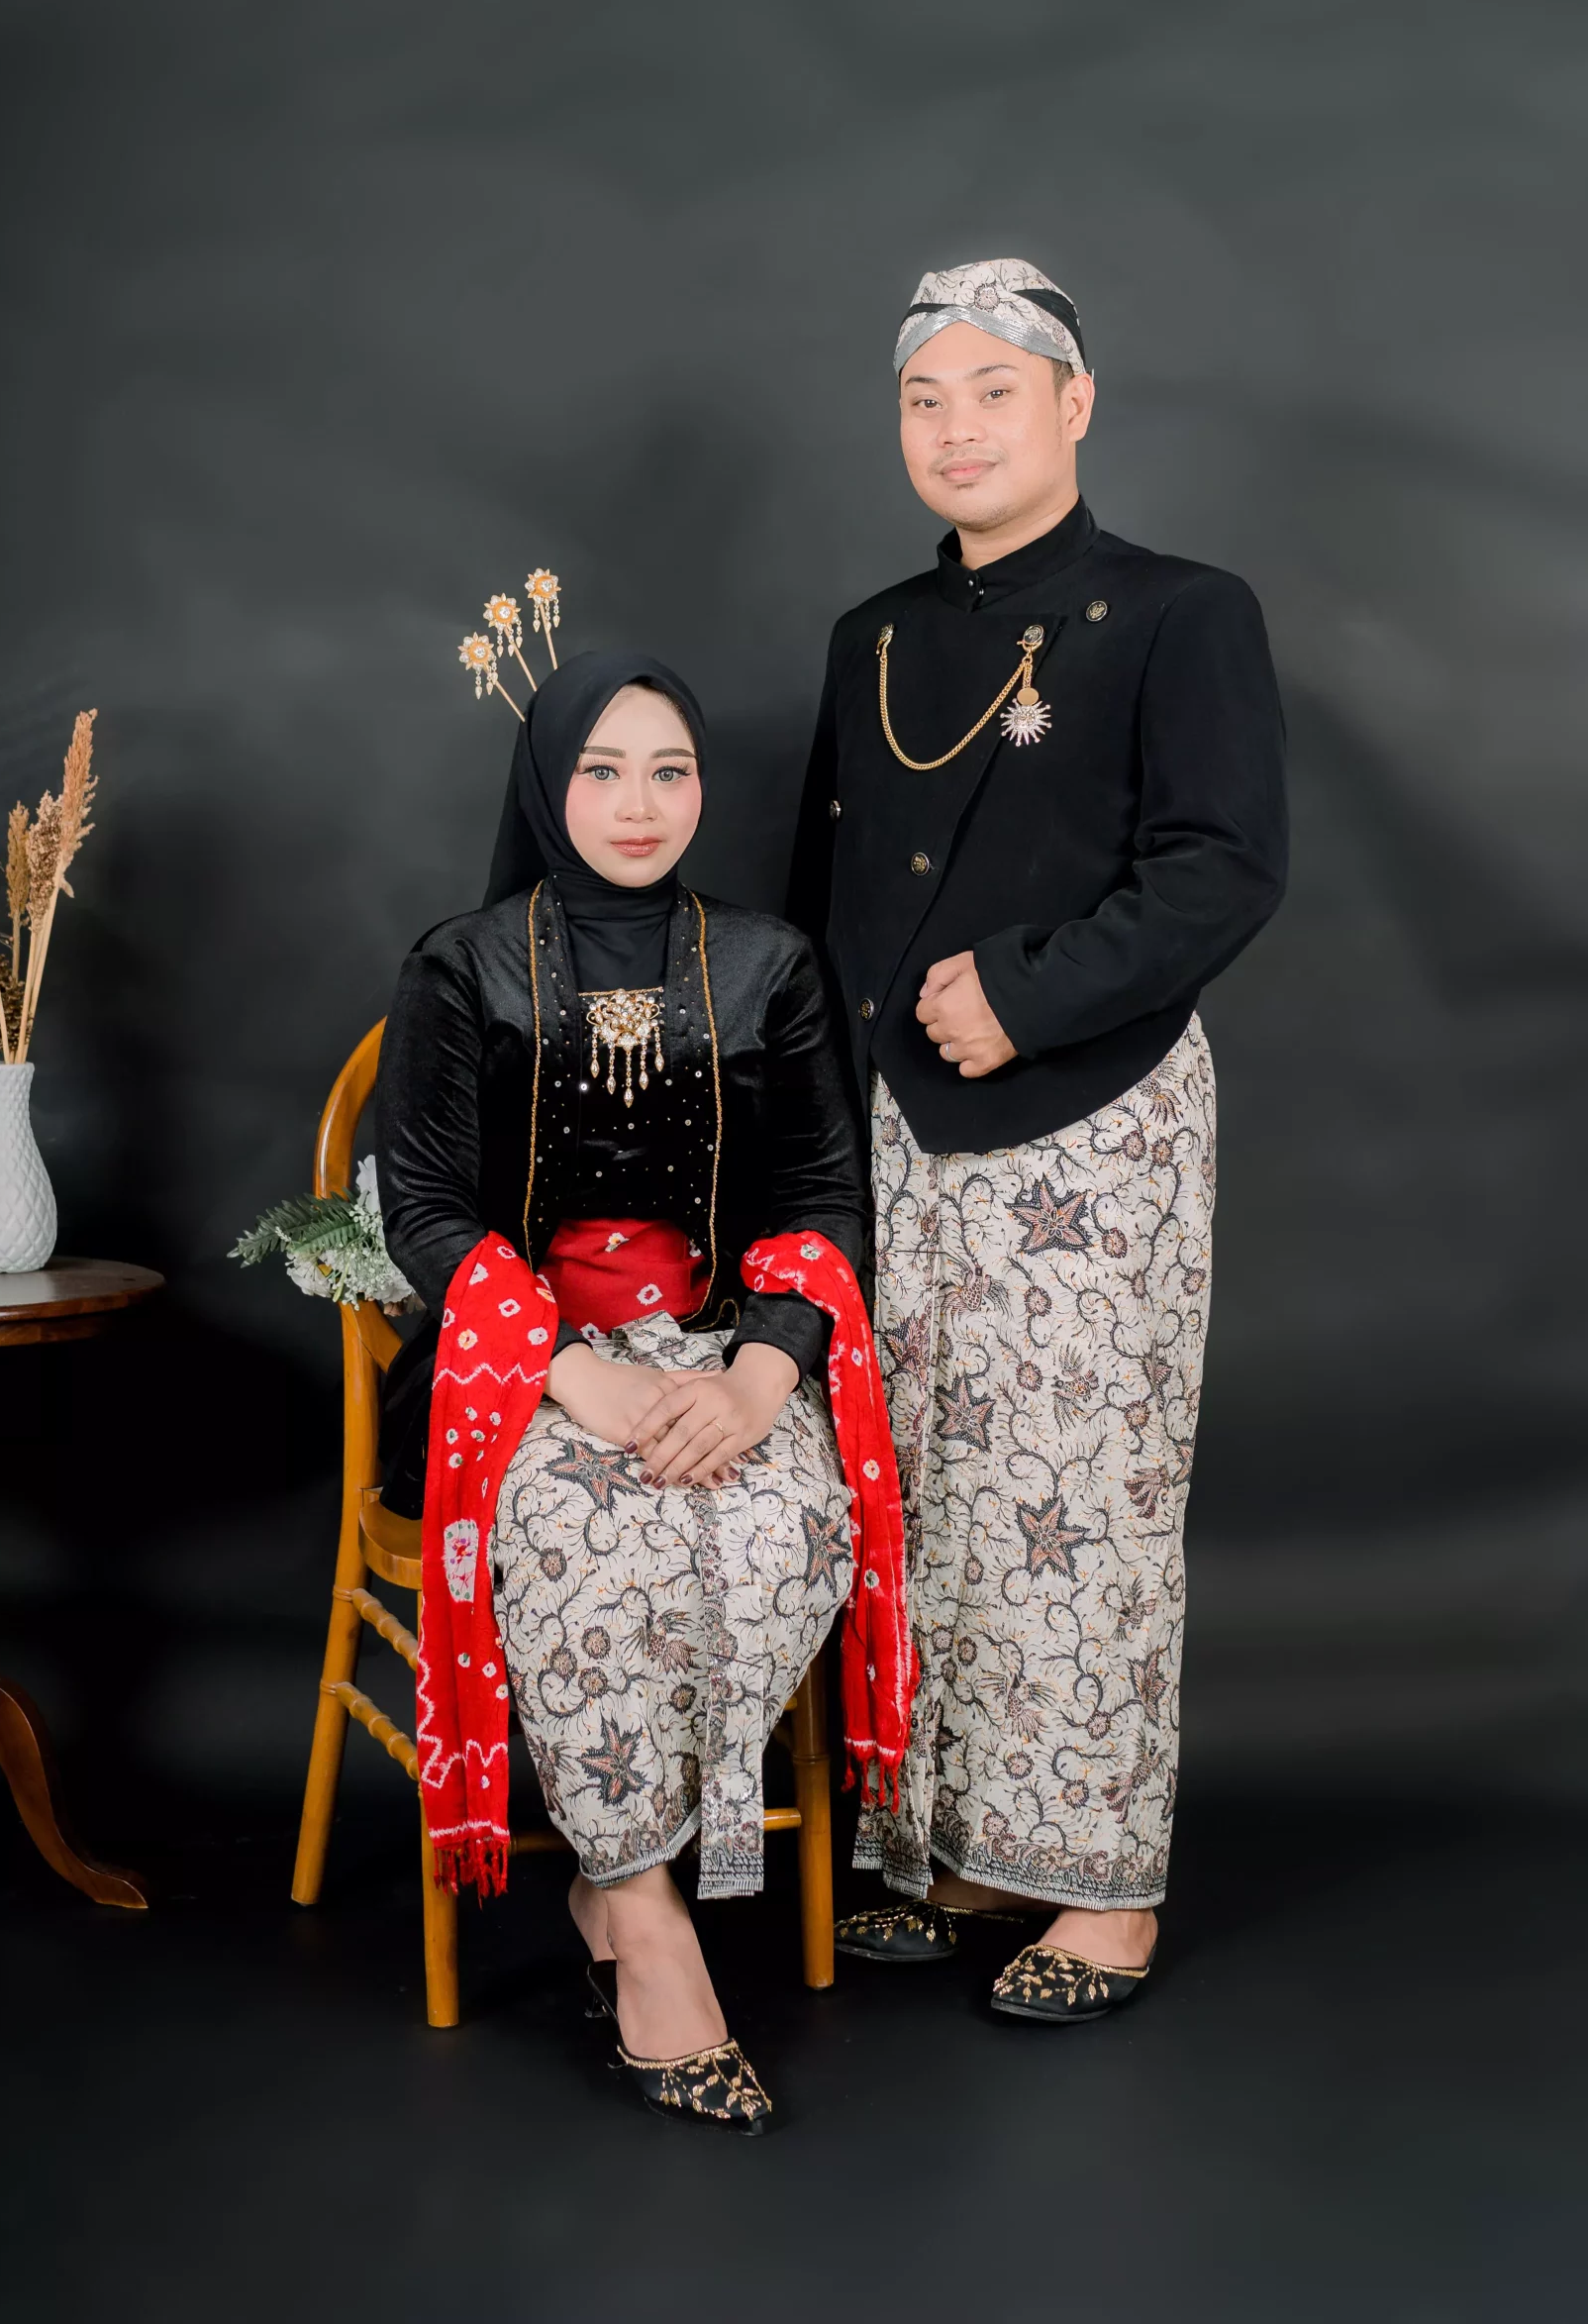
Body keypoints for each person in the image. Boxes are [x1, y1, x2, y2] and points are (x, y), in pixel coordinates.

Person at [788, 256, 1287, 2023]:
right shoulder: (871, 637)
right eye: (923, 398)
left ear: (1072, 406)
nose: (956, 428)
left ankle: (1102, 1892)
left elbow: (1223, 867)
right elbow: (823, 896)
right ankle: (961, 1852)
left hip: (1092, 1122)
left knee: (1079, 1507)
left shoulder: (1179, 612)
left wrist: (1024, 992)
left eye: (993, 391)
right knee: (922, 1492)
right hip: (892, 1132)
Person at [375, 652, 912, 2129]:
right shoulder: (462, 963)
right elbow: (422, 1207)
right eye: (601, 770)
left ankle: (625, 1889)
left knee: (777, 1529)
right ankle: (645, 1911)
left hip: (724, 1345)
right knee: (592, 1542)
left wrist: (762, 1374)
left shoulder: (769, 962)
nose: (638, 802)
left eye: (669, 770)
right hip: (522, 1363)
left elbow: (825, 1188)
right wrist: (571, 1375)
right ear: (547, 784)